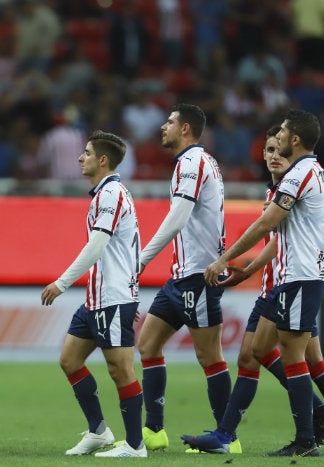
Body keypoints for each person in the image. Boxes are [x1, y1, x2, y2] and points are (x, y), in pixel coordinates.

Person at [182, 126, 324, 456]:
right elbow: (277, 240)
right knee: (256, 353)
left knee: (304, 360)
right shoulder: (281, 189)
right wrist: (250, 270)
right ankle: (229, 433)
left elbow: (270, 230)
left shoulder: (294, 183)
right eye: (268, 150)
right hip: (278, 285)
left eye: (278, 148)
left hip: (294, 281)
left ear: (291, 147)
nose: (274, 156)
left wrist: (226, 259)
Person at [134, 103, 237, 453]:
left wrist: (142, 259)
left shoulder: (192, 163)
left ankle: (228, 438)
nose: (163, 127)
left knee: (210, 356)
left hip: (199, 276)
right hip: (180, 278)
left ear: (187, 129)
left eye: (170, 122)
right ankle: (154, 432)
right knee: (148, 344)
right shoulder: (196, 162)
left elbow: (178, 218)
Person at [40, 130, 146, 458]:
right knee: (70, 360)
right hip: (97, 298)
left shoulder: (111, 193)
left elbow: (97, 245)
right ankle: (99, 432)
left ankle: (134, 445)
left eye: (86, 153)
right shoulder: (104, 193)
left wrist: (62, 282)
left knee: (120, 370)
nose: (79, 157)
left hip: (113, 297)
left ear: (103, 160)